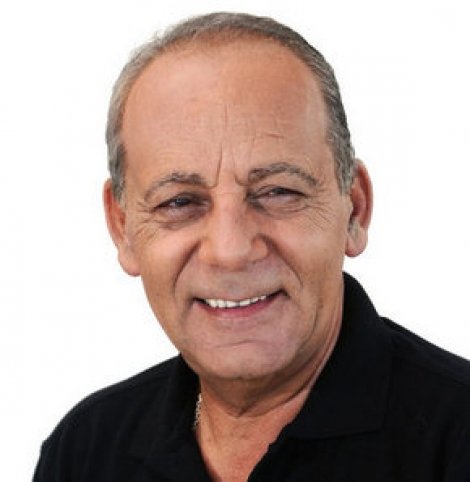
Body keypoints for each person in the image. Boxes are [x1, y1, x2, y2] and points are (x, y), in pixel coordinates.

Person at [33, 12, 470, 482]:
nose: (231, 250)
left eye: (278, 192)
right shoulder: (86, 450)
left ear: (354, 209)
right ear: (123, 229)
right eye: (180, 202)